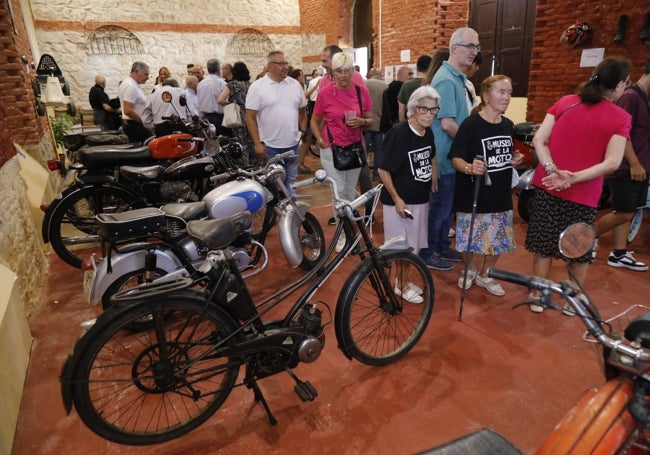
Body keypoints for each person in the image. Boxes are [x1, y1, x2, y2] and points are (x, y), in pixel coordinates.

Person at [524, 56, 632, 313]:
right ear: (617, 85)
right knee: (578, 246)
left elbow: (539, 140)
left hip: (549, 184)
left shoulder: (565, 102)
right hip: (583, 192)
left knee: (543, 243)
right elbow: (612, 162)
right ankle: (574, 300)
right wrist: (572, 178)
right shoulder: (620, 117)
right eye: (626, 83)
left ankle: (538, 293)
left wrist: (552, 169)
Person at [449, 75, 521, 296]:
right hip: (474, 192)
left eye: (509, 92)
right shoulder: (471, 125)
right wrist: (471, 168)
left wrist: (514, 159)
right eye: (502, 92)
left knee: (498, 238)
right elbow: (456, 158)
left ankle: (486, 273)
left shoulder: (509, 125)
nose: (507, 97)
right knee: (468, 237)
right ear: (487, 96)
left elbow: (503, 154)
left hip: (500, 193)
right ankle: (469, 269)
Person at [419, 27, 479, 271]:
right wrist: (469, 144)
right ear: (454, 48)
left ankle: (442, 246)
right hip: (444, 159)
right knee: (441, 209)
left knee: (448, 209)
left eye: (477, 47)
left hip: (452, 157)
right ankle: (428, 251)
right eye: (470, 46)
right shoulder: (445, 79)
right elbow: (447, 124)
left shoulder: (456, 77)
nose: (474, 52)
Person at [378, 85, 440, 302]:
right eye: (424, 109)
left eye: (433, 110)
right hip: (400, 202)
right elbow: (383, 169)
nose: (429, 115)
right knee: (402, 248)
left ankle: (401, 281)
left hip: (420, 200)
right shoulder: (400, 134)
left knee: (412, 246)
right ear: (413, 109)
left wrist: (433, 174)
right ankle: (400, 286)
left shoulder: (428, 131)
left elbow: (432, 154)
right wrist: (397, 198)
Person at [594, 58, 650, 272]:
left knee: (627, 210)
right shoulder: (630, 96)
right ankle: (587, 236)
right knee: (624, 213)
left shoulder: (643, 97)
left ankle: (618, 253)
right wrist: (635, 163)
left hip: (640, 167)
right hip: (626, 167)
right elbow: (621, 132)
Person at [310, 51, 373, 242]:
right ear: (333, 73)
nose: (344, 75)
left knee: (348, 193)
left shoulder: (362, 92)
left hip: (353, 148)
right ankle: (342, 236)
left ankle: (348, 229)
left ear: (353, 71)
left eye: (347, 71)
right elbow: (314, 121)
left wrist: (362, 121)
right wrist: (319, 139)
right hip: (330, 148)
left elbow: (371, 120)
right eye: (339, 71)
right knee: (338, 193)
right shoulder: (325, 92)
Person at [246, 50, 307, 194]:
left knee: (291, 184)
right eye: (281, 63)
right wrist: (257, 143)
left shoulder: (294, 85)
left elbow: (303, 110)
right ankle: (276, 214)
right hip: (270, 147)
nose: (285, 66)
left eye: (286, 63)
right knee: (274, 187)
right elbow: (250, 117)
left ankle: (290, 214)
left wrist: (302, 131)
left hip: (292, 145)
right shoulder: (257, 87)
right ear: (269, 66)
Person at [218, 61, 255, 165]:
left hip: (238, 117)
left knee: (241, 142)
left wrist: (231, 104)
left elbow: (220, 100)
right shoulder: (251, 85)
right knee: (252, 141)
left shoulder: (232, 84)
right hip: (251, 117)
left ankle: (244, 165)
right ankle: (254, 165)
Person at [118, 61, 153, 143]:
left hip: (133, 124)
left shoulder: (131, 84)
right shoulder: (131, 86)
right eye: (146, 74)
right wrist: (144, 123)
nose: (148, 78)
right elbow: (128, 110)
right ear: (136, 72)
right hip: (135, 125)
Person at [364, 68, 388, 179]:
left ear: (371, 74)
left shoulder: (365, 84)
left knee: (363, 149)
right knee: (379, 151)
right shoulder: (386, 86)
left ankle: (363, 175)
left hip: (365, 122)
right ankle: (377, 174)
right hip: (379, 123)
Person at [197, 58, 230, 136]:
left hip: (205, 119)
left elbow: (199, 102)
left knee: (208, 144)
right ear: (219, 69)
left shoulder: (201, 84)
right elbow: (227, 101)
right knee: (222, 144)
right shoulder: (222, 83)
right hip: (220, 119)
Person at [397, 55, 432, 121]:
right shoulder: (433, 84)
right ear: (431, 67)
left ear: (417, 68)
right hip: (429, 124)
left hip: (411, 124)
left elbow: (401, 111)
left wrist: (402, 128)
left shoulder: (406, 85)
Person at [380, 66, 412, 134]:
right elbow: (402, 109)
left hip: (389, 125)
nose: (412, 76)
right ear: (401, 75)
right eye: (409, 74)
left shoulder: (391, 87)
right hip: (395, 124)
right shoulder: (398, 87)